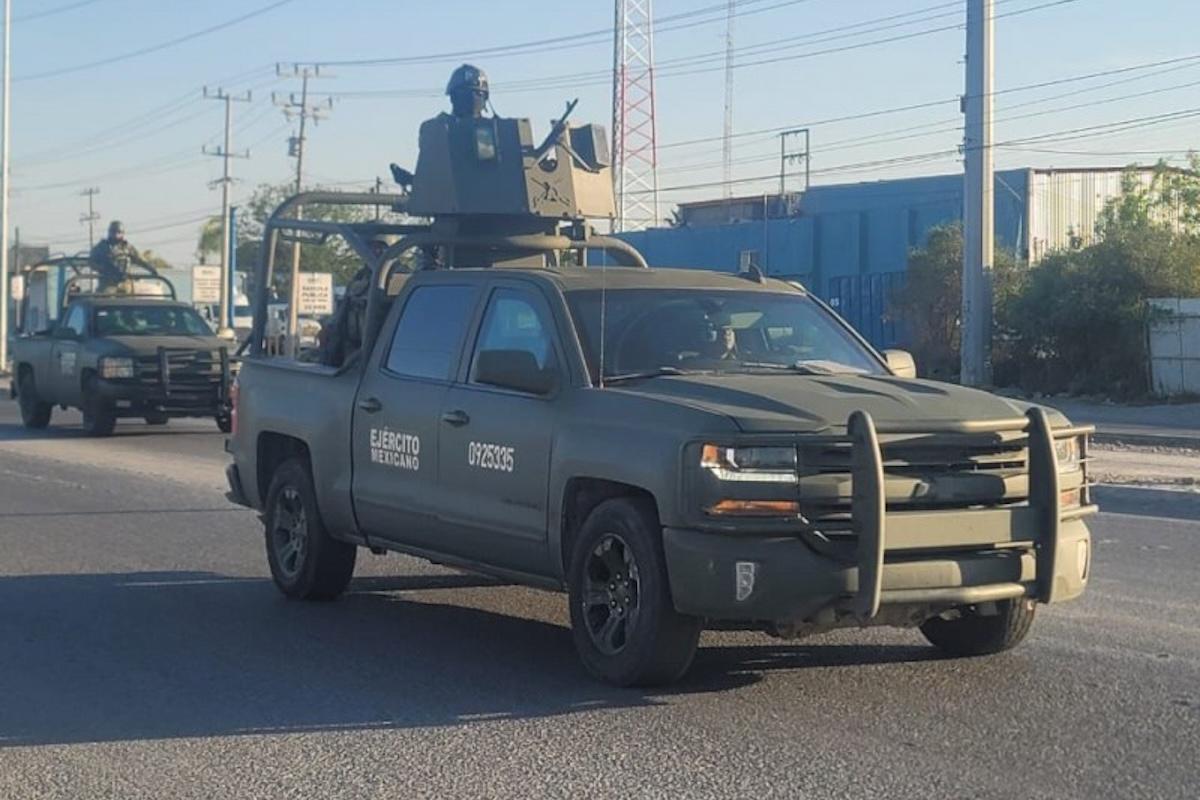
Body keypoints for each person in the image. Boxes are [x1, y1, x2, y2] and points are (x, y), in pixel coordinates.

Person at [90, 220, 155, 292]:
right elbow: (92, 262)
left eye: (118, 232)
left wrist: (152, 269)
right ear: (109, 232)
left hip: (126, 281)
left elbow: (140, 260)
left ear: (122, 233)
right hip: (107, 282)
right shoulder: (102, 247)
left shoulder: (127, 247)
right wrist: (105, 268)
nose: (115, 234)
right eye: (113, 232)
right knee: (106, 296)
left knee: (129, 296)